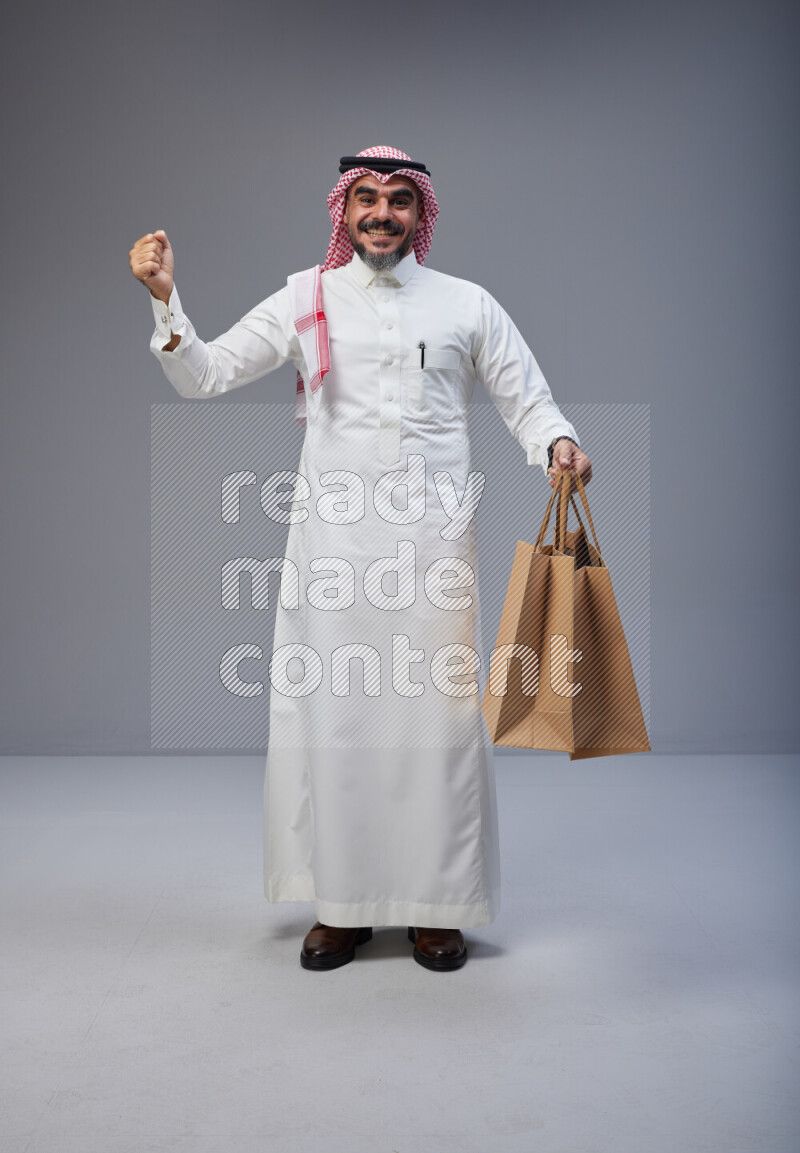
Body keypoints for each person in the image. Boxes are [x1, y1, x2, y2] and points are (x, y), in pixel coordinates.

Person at [129, 145, 592, 973]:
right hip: (334, 547)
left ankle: (435, 907)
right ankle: (341, 907)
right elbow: (207, 375)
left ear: (422, 214)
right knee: (338, 722)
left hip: (434, 546)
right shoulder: (306, 296)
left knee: (435, 727)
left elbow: (528, 396)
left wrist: (559, 442)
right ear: (343, 212)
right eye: (366, 199)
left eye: (399, 201)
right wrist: (167, 304)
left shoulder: (466, 304)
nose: (382, 213)